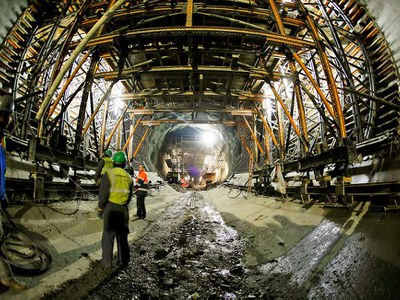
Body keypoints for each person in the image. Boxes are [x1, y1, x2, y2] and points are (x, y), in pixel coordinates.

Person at [0, 94, 27, 290]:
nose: (9, 120)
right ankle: (5, 277)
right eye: (7, 116)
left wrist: (2, 195)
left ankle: (3, 277)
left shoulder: (0, 142)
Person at [96, 151, 133, 268]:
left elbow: (103, 194)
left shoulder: (109, 174)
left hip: (111, 209)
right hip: (123, 210)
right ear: (124, 164)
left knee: (108, 236)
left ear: (114, 162)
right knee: (122, 237)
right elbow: (129, 196)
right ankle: (124, 261)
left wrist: (100, 208)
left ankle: (107, 262)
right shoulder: (129, 177)